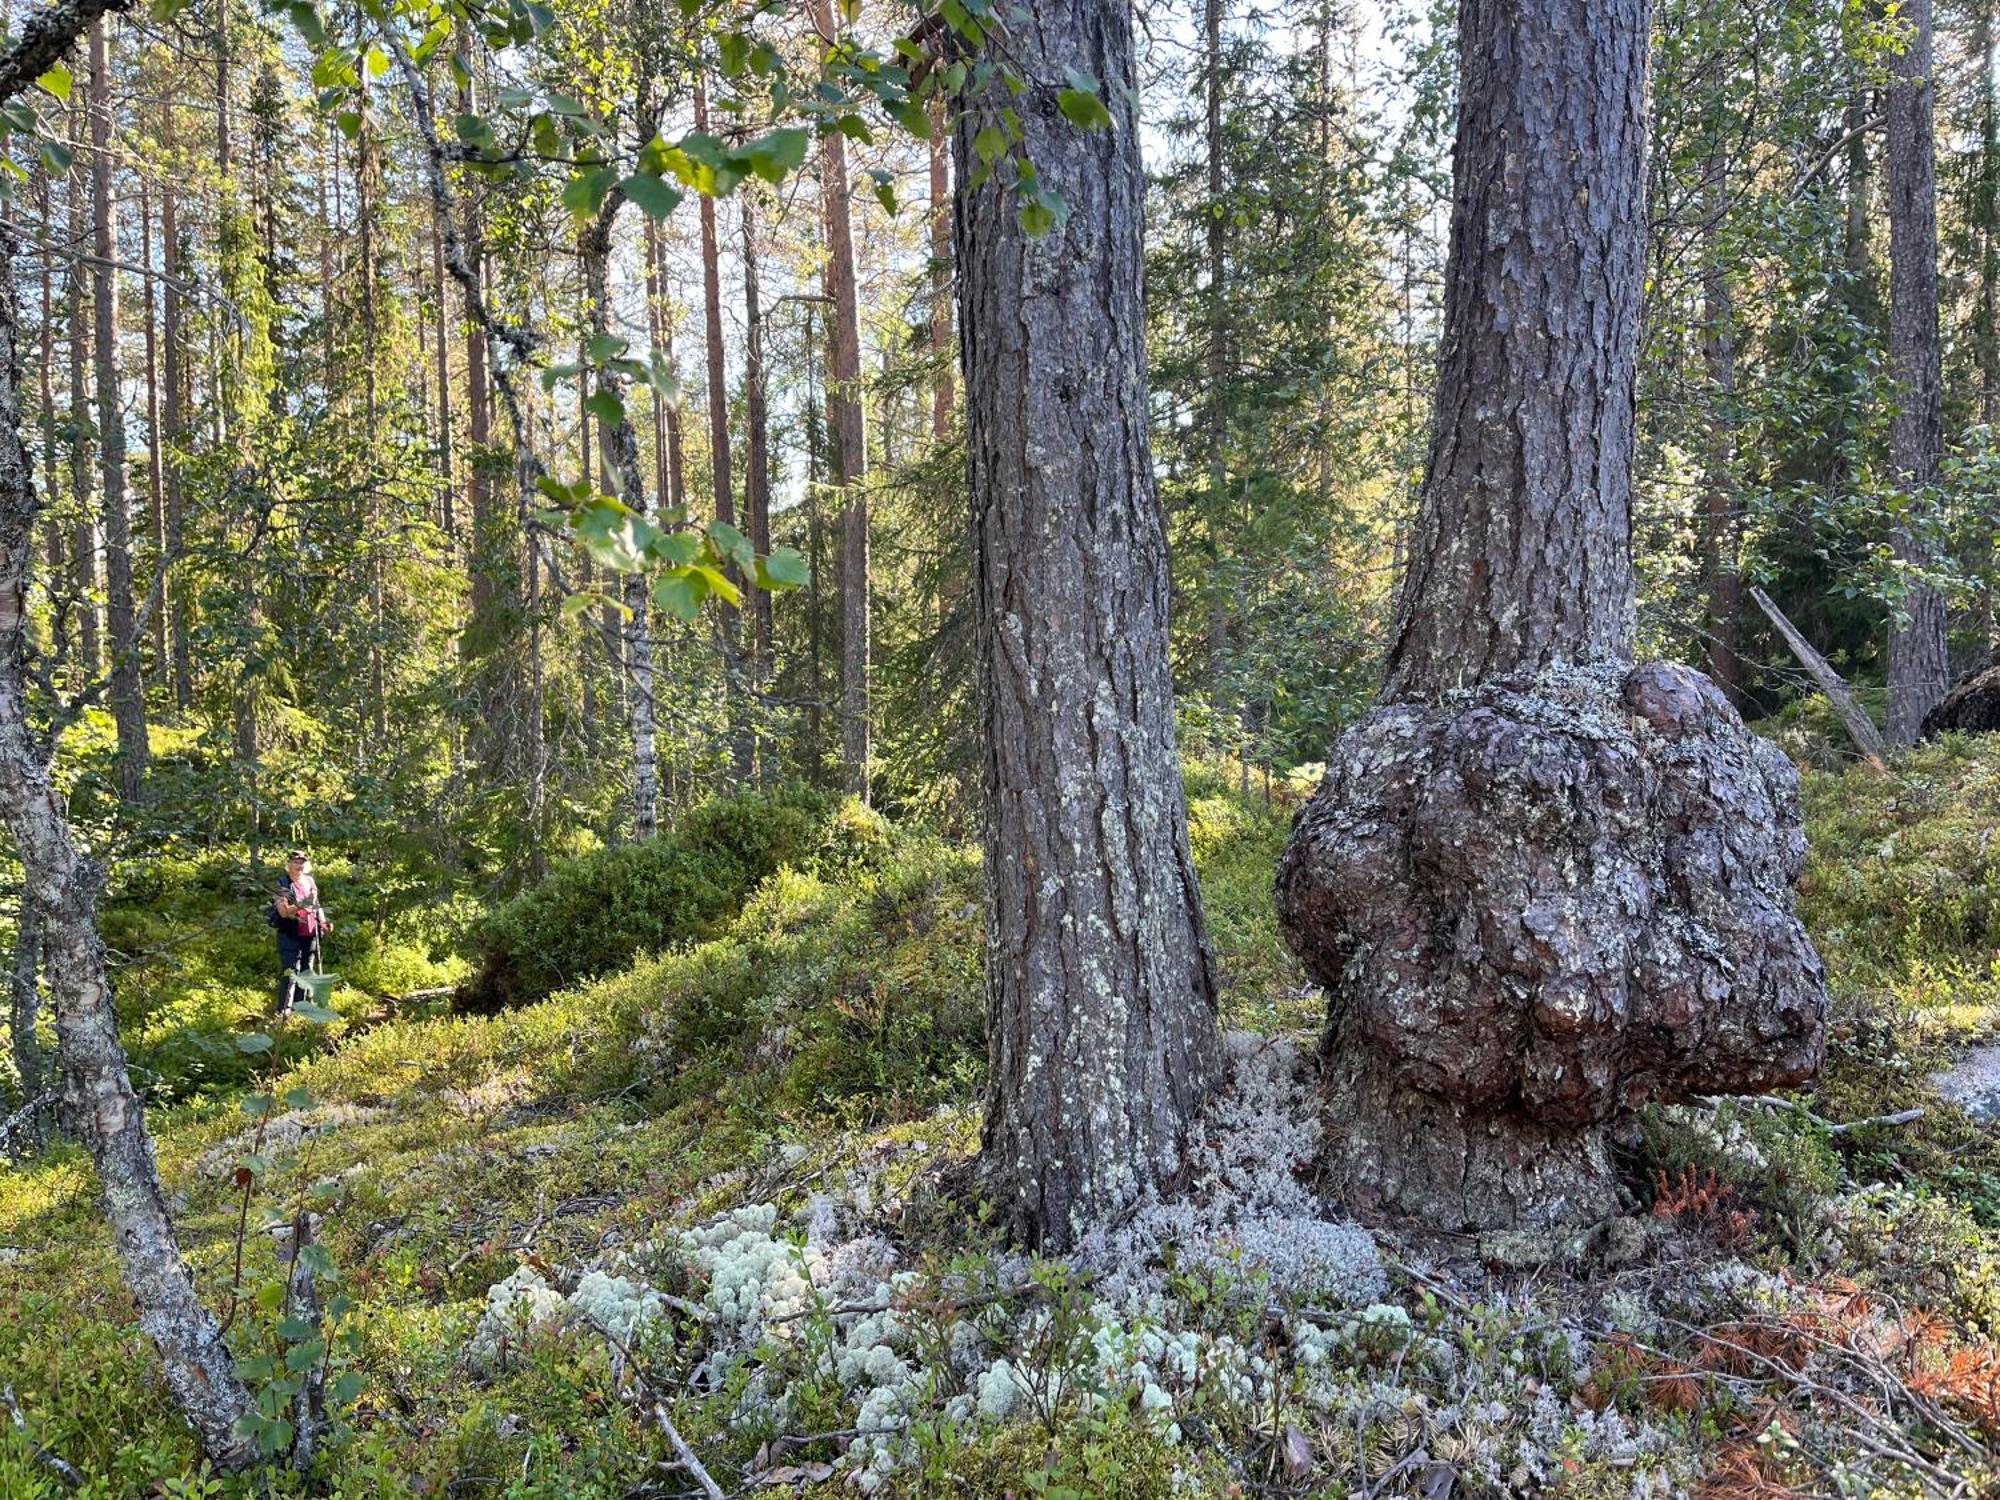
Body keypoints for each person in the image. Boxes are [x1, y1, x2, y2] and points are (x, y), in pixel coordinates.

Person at [272, 851, 323, 1013]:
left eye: (302, 862)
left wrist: (323, 920)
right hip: (289, 933)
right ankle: (283, 1009)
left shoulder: (309, 881)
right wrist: (303, 903)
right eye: (295, 862)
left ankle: (300, 1007)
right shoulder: (282, 884)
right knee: (290, 971)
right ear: (289, 864)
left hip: (310, 932)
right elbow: (284, 912)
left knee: (307, 970)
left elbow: (316, 904)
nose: (299, 866)